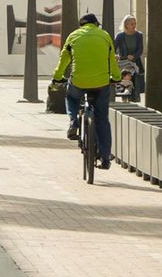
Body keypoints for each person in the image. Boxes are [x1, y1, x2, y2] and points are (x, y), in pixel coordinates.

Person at [53, 13, 123, 169]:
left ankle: (73, 121)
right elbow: (111, 59)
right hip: (101, 83)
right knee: (102, 119)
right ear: (96, 24)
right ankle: (105, 157)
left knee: (71, 97)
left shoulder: (73, 36)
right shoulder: (104, 36)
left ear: (81, 25)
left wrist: (57, 77)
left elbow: (64, 59)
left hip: (79, 81)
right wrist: (116, 77)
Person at [115, 14, 144, 93]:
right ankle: (125, 89)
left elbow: (140, 50)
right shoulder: (120, 36)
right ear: (126, 25)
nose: (134, 25)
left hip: (135, 62)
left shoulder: (139, 35)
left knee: (131, 75)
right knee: (124, 74)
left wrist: (133, 56)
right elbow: (113, 49)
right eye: (132, 24)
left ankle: (129, 90)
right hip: (123, 61)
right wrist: (116, 56)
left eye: (135, 23)